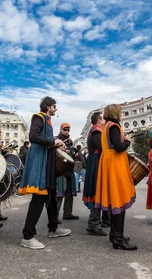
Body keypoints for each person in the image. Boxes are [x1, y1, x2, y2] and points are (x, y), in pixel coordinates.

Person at [19, 96, 71, 250]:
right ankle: (27, 236)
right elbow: (33, 137)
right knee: (39, 198)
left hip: (46, 162)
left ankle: (53, 227)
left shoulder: (47, 119)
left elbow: (45, 140)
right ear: (48, 106)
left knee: (51, 195)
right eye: (55, 106)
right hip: (40, 163)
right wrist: (53, 142)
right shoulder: (39, 117)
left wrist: (56, 144)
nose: (56, 109)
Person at [94, 104, 137, 251]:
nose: (121, 114)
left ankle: (114, 235)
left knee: (114, 200)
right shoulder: (114, 126)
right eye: (120, 112)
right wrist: (127, 141)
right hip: (115, 165)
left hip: (108, 162)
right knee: (119, 199)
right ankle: (118, 238)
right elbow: (118, 147)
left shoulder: (106, 126)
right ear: (116, 113)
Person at [83, 111, 109, 236]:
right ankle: (93, 224)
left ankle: (100, 221)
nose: (105, 121)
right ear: (99, 120)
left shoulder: (96, 131)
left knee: (98, 192)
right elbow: (103, 147)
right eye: (103, 119)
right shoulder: (96, 131)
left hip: (95, 162)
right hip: (96, 163)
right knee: (97, 192)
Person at [56, 123, 79, 221]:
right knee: (60, 193)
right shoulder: (56, 139)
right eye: (65, 129)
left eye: (68, 130)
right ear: (61, 129)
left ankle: (67, 213)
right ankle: (54, 216)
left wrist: (75, 154)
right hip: (60, 169)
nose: (67, 131)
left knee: (69, 192)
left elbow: (72, 155)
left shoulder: (70, 141)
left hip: (69, 168)